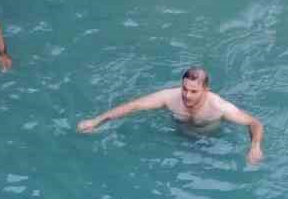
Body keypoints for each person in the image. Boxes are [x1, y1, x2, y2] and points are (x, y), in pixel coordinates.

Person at [78, 67, 265, 164]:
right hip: (177, 137)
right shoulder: (169, 97)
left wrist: (254, 147)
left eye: (194, 91)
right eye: (184, 89)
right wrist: (97, 120)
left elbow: (254, 123)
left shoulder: (219, 106)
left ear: (205, 90)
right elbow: (134, 106)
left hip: (213, 142)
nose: (186, 95)